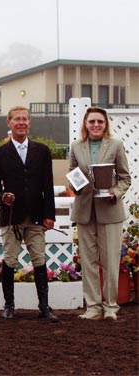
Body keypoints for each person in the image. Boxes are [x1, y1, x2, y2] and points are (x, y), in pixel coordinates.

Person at [0, 105, 58, 322]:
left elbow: (48, 184)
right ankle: (9, 306)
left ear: (29, 123)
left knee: (39, 259)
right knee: (10, 260)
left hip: (37, 216)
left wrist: (50, 215)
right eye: (17, 119)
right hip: (12, 217)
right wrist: (2, 197)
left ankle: (44, 307)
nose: (21, 122)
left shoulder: (42, 151)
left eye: (25, 119)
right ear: (9, 123)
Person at [69, 107, 131, 321]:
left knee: (110, 260)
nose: (96, 125)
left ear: (105, 124)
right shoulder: (76, 146)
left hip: (110, 211)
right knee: (88, 261)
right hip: (85, 211)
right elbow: (72, 174)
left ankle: (111, 306)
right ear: (86, 124)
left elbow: (125, 178)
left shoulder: (116, 145)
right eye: (92, 121)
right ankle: (93, 307)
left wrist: (116, 192)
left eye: (100, 122)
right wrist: (75, 184)